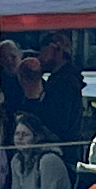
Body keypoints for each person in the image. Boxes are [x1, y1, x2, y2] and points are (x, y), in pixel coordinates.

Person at [37, 31, 87, 168]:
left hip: (60, 154)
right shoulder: (61, 80)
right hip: (63, 152)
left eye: (44, 51)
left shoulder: (64, 83)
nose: (40, 57)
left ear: (57, 50)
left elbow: (58, 122)